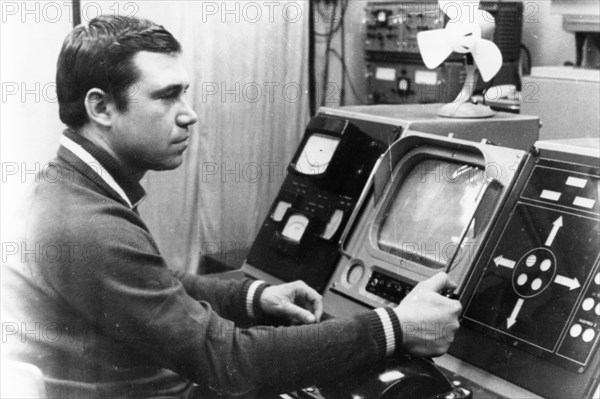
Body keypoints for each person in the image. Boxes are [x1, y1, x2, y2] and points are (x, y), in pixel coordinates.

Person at [1, 15, 462, 398]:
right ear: (101, 108)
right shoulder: (88, 224)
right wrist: (394, 326)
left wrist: (253, 297)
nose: (189, 113)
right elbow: (227, 362)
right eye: (167, 95)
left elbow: (155, 282)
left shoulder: (70, 190)